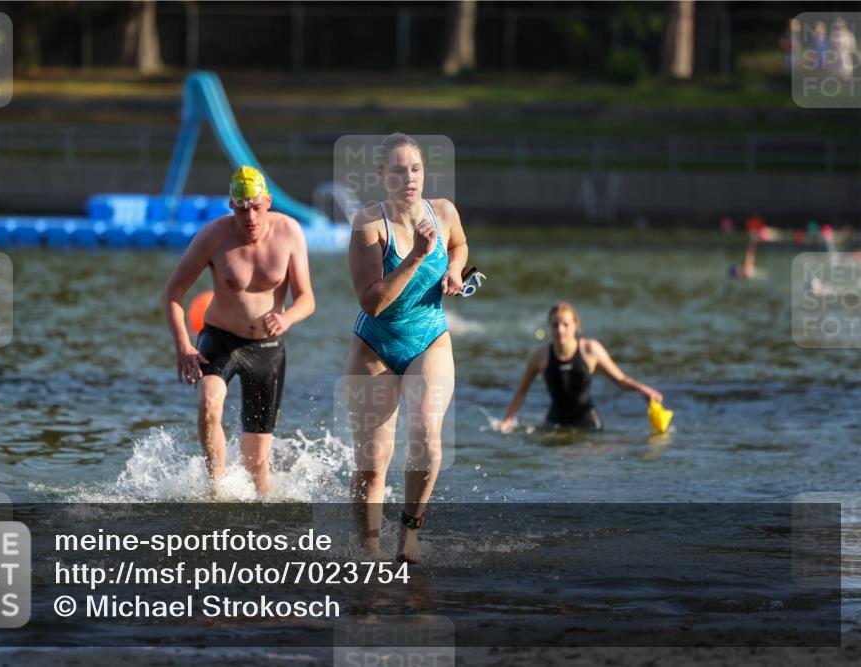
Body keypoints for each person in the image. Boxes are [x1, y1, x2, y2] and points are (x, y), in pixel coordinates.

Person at [344, 133, 469, 563]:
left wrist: (453, 269)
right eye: (397, 170)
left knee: (428, 436)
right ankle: (369, 550)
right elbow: (372, 302)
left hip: (429, 339)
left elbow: (458, 244)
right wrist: (416, 256)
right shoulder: (368, 225)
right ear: (382, 176)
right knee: (373, 462)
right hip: (375, 346)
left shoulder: (445, 211)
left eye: (415, 169)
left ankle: (409, 535)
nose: (408, 178)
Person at [161, 166, 315, 496]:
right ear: (231, 205)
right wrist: (183, 345)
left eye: (257, 207)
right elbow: (172, 292)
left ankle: (262, 519)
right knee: (208, 400)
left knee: (256, 464)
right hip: (219, 339)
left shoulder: (290, 232)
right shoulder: (213, 236)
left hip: (267, 349)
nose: (251, 218)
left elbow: (307, 299)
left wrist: (286, 320)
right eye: (242, 209)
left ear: (269, 202)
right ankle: (215, 486)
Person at [499, 303, 662, 432]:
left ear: (576, 325)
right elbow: (522, 390)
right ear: (549, 325)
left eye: (565, 324)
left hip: (588, 424)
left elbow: (621, 380)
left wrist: (644, 390)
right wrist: (507, 420)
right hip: (555, 422)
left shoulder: (591, 350)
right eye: (555, 325)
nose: (560, 330)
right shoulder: (540, 355)